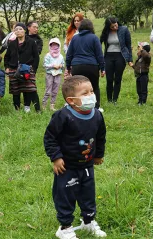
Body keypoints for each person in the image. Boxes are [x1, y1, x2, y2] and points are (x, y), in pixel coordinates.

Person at [44, 75, 107, 239]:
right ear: (71, 100)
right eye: (85, 93)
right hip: (67, 167)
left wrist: (98, 154)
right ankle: (64, 227)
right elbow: (50, 138)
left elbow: (101, 136)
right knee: (65, 196)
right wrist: (56, 157)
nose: (91, 96)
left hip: (87, 165)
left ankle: (88, 222)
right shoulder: (62, 116)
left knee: (88, 194)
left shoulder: (97, 115)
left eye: (91, 91)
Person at [66, 19, 105, 111]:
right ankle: (96, 108)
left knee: (77, 87)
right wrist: (102, 68)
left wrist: (68, 67)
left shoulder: (75, 38)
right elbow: (99, 54)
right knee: (94, 87)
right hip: (92, 66)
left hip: (77, 66)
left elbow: (69, 54)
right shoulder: (94, 38)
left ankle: (77, 106)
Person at [4, 22, 41, 112]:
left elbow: (36, 57)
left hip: (27, 69)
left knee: (31, 89)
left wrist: (34, 69)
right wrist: (7, 67)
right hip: (14, 69)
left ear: (24, 30)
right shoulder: (12, 44)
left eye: (20, 29)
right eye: (16, 29)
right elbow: (6, 56)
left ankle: (37, 110)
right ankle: (17, 109)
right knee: (15, 90)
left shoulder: (31, 42)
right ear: (14, 32)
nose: (18, 31)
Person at [100, 17, 133, 103]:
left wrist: (130, 59)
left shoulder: (124, 30)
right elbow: (99, 43)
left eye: (116, 25)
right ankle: (109, 99)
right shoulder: (106, 32)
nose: (115, 27)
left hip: (120, 55)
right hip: (108, 56)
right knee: (109, 79)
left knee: (117, 79)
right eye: (112, 27)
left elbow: (128, 45)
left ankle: (115, 99)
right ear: (108, 27)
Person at [42, 38, 64, 111]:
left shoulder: (60, 56)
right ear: (50, 45)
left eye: (56, 44)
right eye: (52, 44)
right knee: (48, 90)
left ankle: (52, 105)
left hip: (58, 74)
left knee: (55, 90)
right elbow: (45, 65)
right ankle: (44, 105)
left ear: (59, 45)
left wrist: (61, 66)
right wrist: (53, 65)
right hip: (50, 74)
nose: (54, 46)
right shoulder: (48, 55)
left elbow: (63, 64)